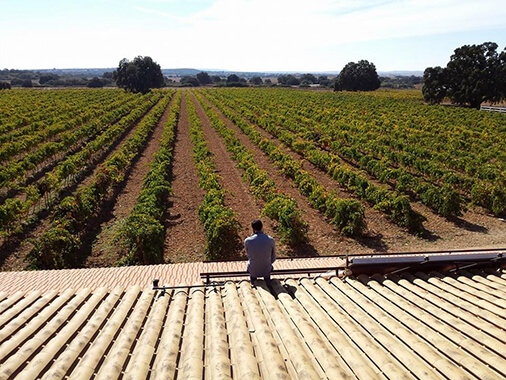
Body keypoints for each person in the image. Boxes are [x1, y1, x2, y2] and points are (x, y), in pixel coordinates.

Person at [244, 219, 276, 283]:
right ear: (262, 227)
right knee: (267, 268)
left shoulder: (247, 241)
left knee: (251, 265)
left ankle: (253, 283)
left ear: (252, 228)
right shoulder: (270, 240)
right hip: (266, 269)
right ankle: (268, 283)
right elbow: (273, 257)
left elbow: (248, 255)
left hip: (253, 270)